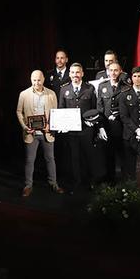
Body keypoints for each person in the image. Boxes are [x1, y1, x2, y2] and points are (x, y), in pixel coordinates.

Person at [16, 70, 62, 196]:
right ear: (31, 80)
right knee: (30, 160)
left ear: (43, 80)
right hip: (31, 133)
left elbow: (55, 113)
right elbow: (19, 112)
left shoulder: (51, 94)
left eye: (39, 80)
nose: (36, 82)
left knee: (50, 159)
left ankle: (54, 183)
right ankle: (28, 185)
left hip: (47, 132)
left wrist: (50, 126)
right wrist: (25, 127)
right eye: (34, 80)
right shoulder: (24, 94)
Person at [58, 63, 100, 192]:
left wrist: (92, 122)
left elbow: (95, 109)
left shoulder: (90, 88)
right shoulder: (64, 89)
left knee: (89, 156)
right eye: (72, 72)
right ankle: (76, 182)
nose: (75, 75)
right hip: (71, 130)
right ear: (69, 74)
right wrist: (62, 124)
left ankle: (91, 182)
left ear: (82, 74)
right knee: (74, 158)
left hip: (86, 129)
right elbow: (61, 109)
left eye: (77, 72)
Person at [97, 61, 128, 182]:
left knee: (123, 156)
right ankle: (110, 183)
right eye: (111, 70)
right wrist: (100, 127)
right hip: (107, 127)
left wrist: (118, 114)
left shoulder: (126, 87)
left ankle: (125, 183)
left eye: (116, 70)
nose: (113, 73)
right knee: (108, 157)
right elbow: (99, 108)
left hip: (121, 127)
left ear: (120, 71)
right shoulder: (102, 86)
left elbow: (128, 108)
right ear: (108, 72)